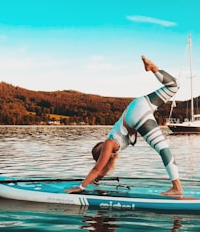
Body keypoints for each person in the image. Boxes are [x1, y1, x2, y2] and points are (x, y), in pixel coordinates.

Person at [66, 55, 183, 196]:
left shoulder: (110, 143)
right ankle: (153, 69)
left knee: (163, 149)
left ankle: (177, 187)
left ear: (102, 154)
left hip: (137, 114)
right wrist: (94, 181)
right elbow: (101, 170)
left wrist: (81, 187)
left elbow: (97, 169)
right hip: (139, 105)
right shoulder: (112, 149)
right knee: (174, 86)